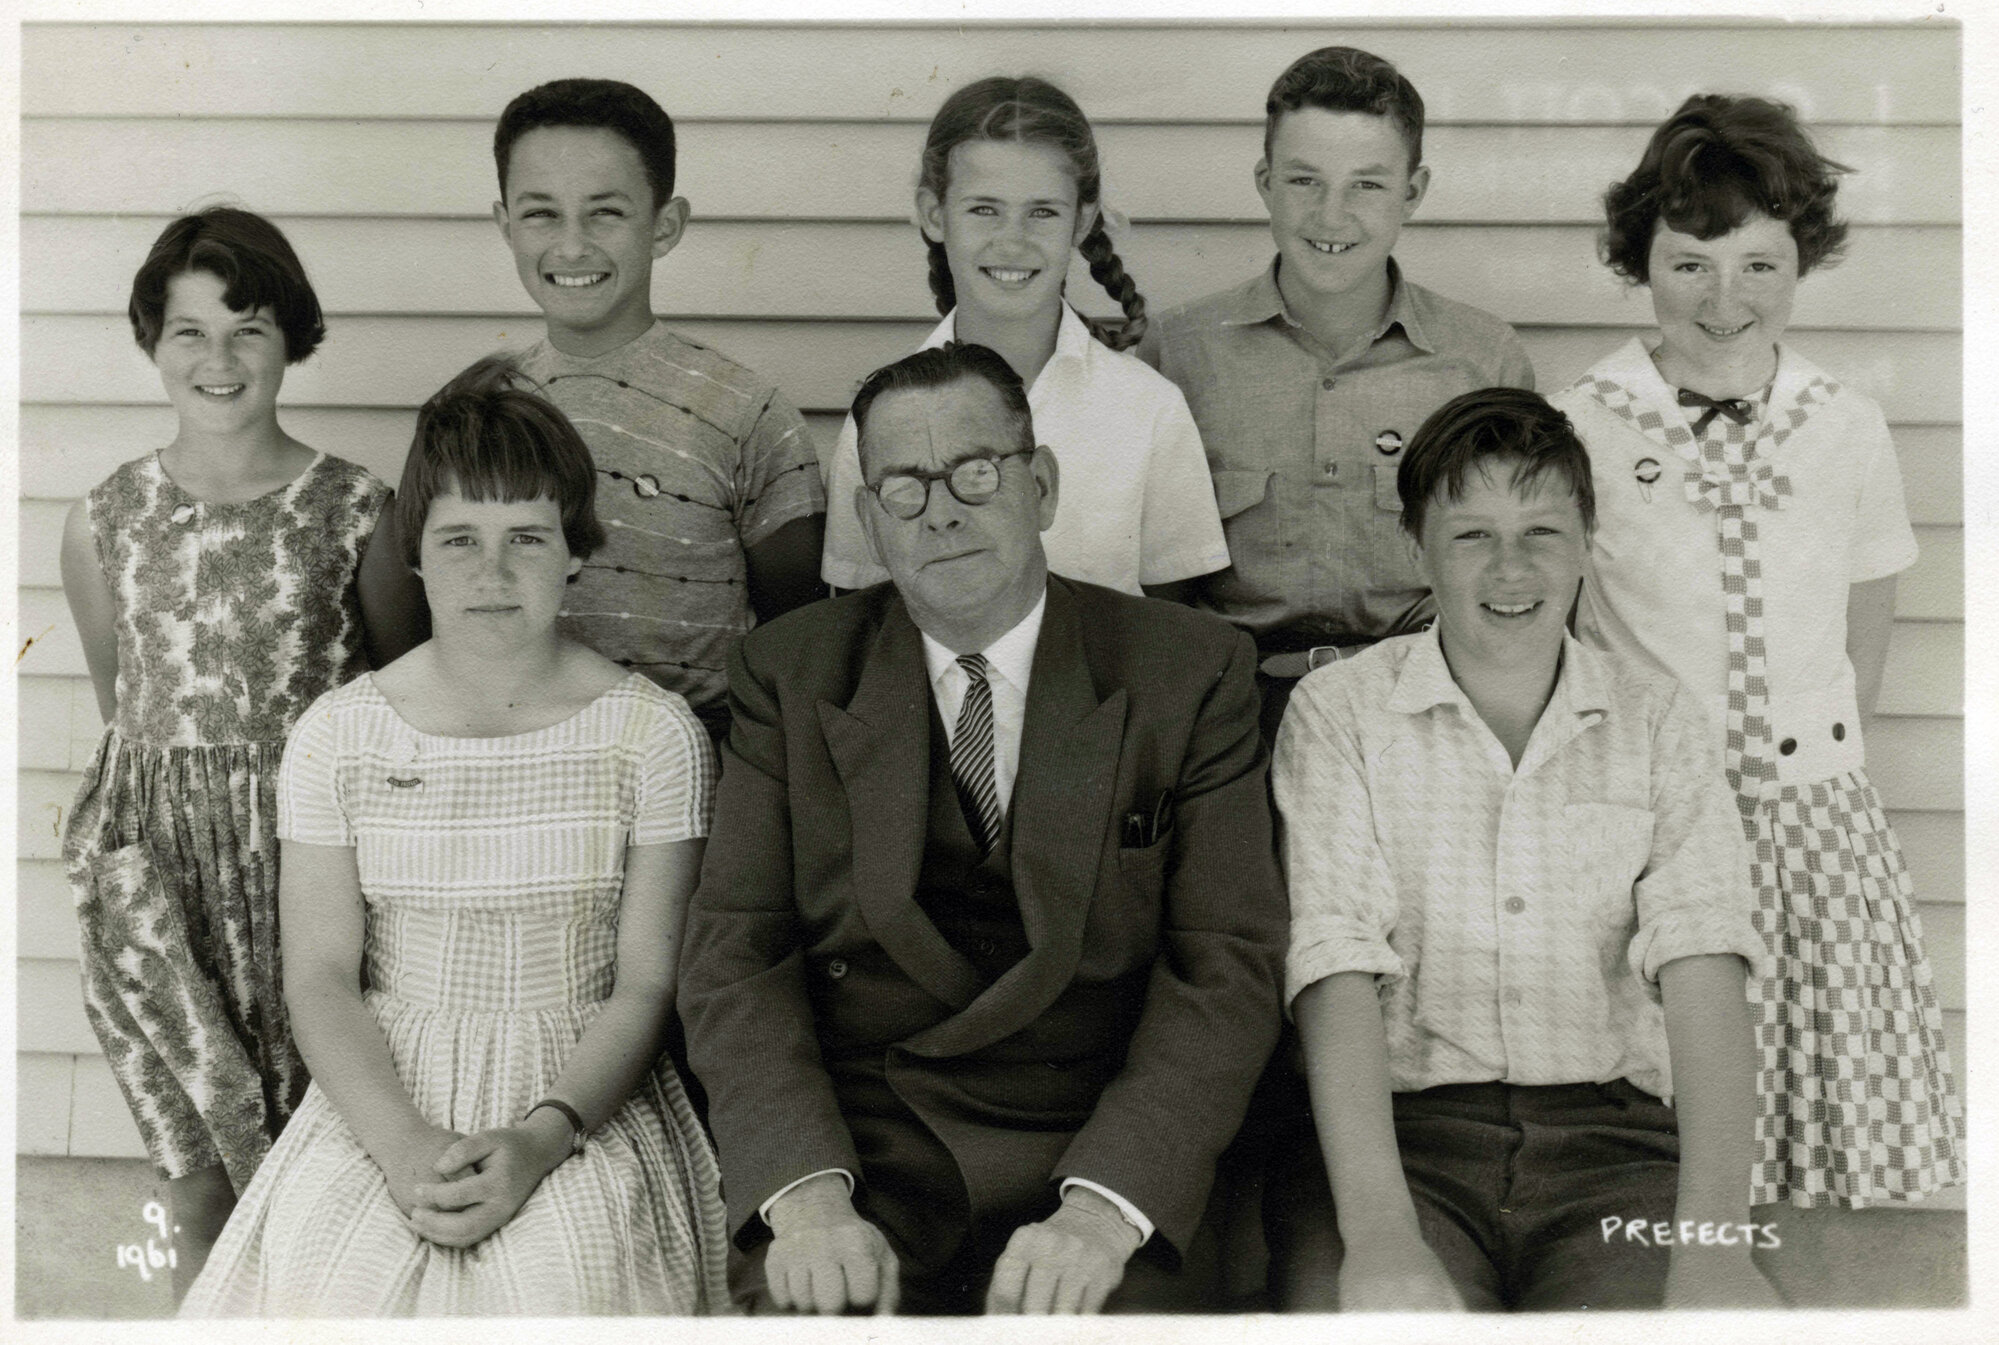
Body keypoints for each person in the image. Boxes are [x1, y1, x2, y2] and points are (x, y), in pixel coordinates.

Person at [679, 342, 1286, 1315]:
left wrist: (1104, 1207)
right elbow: (734, 956)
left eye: (973, 471)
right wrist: (806, 1196)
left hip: (1101, 1159)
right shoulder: (791, 674)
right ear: (870, 521)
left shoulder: (1188, 673)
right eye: (904, 488)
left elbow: (1226, 966)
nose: (943, 510)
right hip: (865, 1166)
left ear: (1038, 484)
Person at [181, 360, 731, 1316]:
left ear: (575, 550)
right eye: (460, 538)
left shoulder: (652, 735)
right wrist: (399, 1147)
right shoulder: (342, 734)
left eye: (527, 536)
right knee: (333, 1293)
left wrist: (539, 1138)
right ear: (416, 555)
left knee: (567, 1292)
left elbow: (646, 982)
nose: (492, 570)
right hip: (381, 1089)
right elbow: (317, 974)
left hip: (577, 1094)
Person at [1272, 387, 1778, 1310]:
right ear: (1415, 546)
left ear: (1586, 541)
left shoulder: (1657, 718)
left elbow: (1704, 961)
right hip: (1407, 1147)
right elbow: (1335, 963)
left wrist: (1713, 1241)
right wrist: (1382, 1236)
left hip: (1615, 1152)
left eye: (1541, 531)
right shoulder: (1339, 712)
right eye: (1470, 535)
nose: (1510, 567)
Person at [1549, 94, 1964, 1209]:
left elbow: (1864, 612)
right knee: (1664, 1105)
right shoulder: (1584, 419)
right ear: (1639, 257)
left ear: (1801, 264)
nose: (1723, 301)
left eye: (1757, 267)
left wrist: (1821, 774)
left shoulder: (1842, 423)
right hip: (1649, 817)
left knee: (1805, 1113)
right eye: (1689, 264)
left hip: (1807, 814)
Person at [58, 207, 423, 1299]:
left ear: (293, 338)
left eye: (249, 329)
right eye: (189, 333)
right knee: (191, 1169)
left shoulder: (356, 508)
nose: (219, 361)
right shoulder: (104, 516)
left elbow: (402, 696)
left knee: (317, 1159)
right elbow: (122, 701)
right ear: (151, 342)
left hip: (307, 874)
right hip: (159, 889)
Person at [1140, 45, 1534, 739]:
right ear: (1264, 181)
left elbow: (1510, 575)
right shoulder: (1178, 355)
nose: (1331, 215)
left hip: (1422, 715)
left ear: (1412, 192)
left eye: (1367, 185)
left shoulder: (1479, 361)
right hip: (1227, 718)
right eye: (1303, 180)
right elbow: (1148, 590)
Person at [476, 77, 826, 742]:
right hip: (514, 767)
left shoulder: (745, 413)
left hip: (701, 772)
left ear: (665, 226)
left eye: (605, 212)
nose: (572, 245)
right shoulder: (474, 415)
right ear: (504, 225)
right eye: (541, 213)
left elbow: (799, 641)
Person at [818, 75, 1228, 600]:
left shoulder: (1148, 409)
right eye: (983, 209)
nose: (1012, 242)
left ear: (1082, 220)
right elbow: (857, 612)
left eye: (1042, 212)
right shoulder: (879, 415)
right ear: (934, 214)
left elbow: (1178, 625)